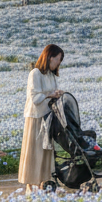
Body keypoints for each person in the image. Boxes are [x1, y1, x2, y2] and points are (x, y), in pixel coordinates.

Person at [19, 44, 65, 192]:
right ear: (49, 57)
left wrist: (57, 93)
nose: (58, 63)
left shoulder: (51, 75)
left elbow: (50, 95)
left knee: (46, 152)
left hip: (49, 117)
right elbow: (35, 98)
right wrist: (50, 94)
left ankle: (44, 183)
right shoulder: (35, 73)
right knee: (35, 152)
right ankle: (30, 186)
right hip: (36, 118)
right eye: (57, 59)